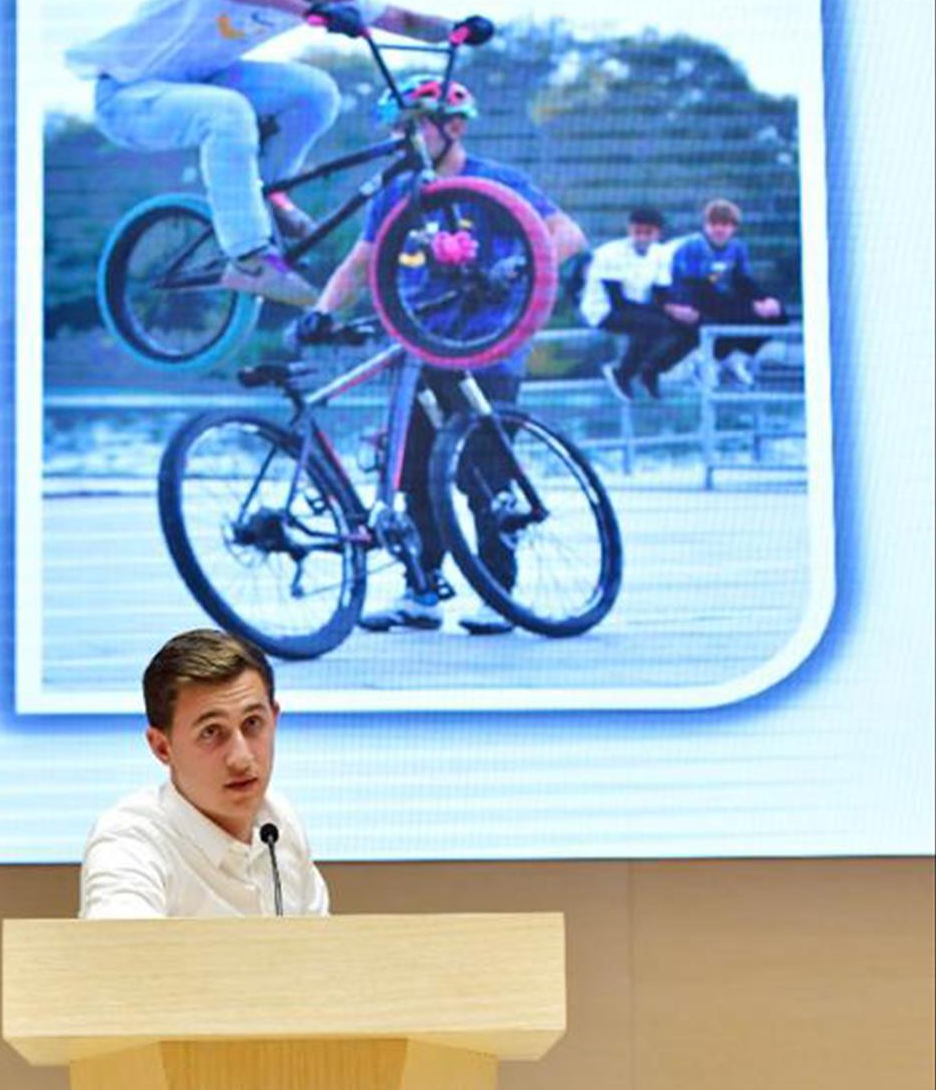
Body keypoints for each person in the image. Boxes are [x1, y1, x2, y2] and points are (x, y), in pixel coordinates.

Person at [67, 0, 486, 308]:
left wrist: (458, 29)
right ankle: (250, 258)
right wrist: (310, 11)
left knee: (316, 92)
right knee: (228, 112)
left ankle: (270, 194)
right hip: (128, 95)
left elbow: (402, 20)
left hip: (203, 80)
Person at [289, 73, 586, 634]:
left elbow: (567, 233)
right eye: (399, 129)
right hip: (417, 343)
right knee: (415, 473)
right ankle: (421, 591)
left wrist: (518, 265)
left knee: (482, 474)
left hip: (488, 342)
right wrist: (321, 311)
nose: (405, 138)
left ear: (454, 128)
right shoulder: (397, 193)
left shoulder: (496, 182)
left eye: (416, 126)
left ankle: (498, 593)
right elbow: (361, 262)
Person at [80, 630, 329, 918]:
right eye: (211, 732)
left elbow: (324, 943)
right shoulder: (129, 840)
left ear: (274, 719)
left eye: (252, 723)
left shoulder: (279, 822)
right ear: (162, 747)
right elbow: (123, 943)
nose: (241, 759)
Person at [657, 198, 788, 390]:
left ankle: (735, 360)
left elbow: (742, 280)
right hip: (690, 300)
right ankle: (702, 361)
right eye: (714, 224)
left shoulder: (737, 247)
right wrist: (749, 305)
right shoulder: (692, 247)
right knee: (733, 314)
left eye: (725, 224)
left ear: (734, 227)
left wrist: (765, 300)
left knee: (777, 314)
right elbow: (695, 285)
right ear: (705, 225)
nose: (719, 229)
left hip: (719, 297)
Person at [579, 207, 688, 401]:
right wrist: (663, 311)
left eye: (648, 233)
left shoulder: (661, 254)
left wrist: (677, 310)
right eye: (638, 232)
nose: (642, 237)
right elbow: (617, 301)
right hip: (604, 310)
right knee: (654, 325)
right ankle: (622, 373)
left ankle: (652, 370)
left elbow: (660, 293)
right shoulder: (610, 253)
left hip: (636, 307)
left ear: (658, 233)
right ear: (630, 230)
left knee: (687, 327)